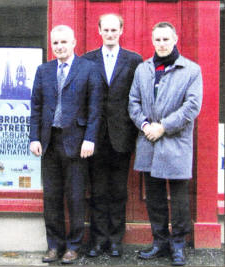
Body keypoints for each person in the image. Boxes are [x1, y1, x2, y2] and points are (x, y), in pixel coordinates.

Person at [128, 22, 202, 266]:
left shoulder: (191, 70)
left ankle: (178, 244)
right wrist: (145, 125)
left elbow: (191, 107)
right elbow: (133, 102)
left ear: (175, 39)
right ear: (152, 41)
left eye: (165, 39)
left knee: (179, 198)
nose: (161, 44)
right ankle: (159, 242)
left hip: (175, 142)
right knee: (155, 196)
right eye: (157, 39)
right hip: (149, 140)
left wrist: (164, 126)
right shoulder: (143, 69)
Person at [29, 25, 103, 264]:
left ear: (73, 43)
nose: (59, 47)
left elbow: (95, 108)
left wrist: (90, 138)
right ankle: (54, 245)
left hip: (77, 141)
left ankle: (73, 245)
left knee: (75, 197)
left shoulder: (89, 69)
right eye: (55, 43)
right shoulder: (43, 70)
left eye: (64, 42)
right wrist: (34, 137)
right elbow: (36, 107)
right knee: (51, 197)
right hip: (49, 141)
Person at [82, 13, 143, 257]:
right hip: (94, 136)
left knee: (118, 191)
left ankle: (116, 240)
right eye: (105, 30)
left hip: (122, 135)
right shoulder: (87, 60)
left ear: (121, 31)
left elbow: (139, 95)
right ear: (99, 31)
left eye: (113, 30)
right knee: (97, 190)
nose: (109, 34)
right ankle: (98, 240)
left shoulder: (134, 60)